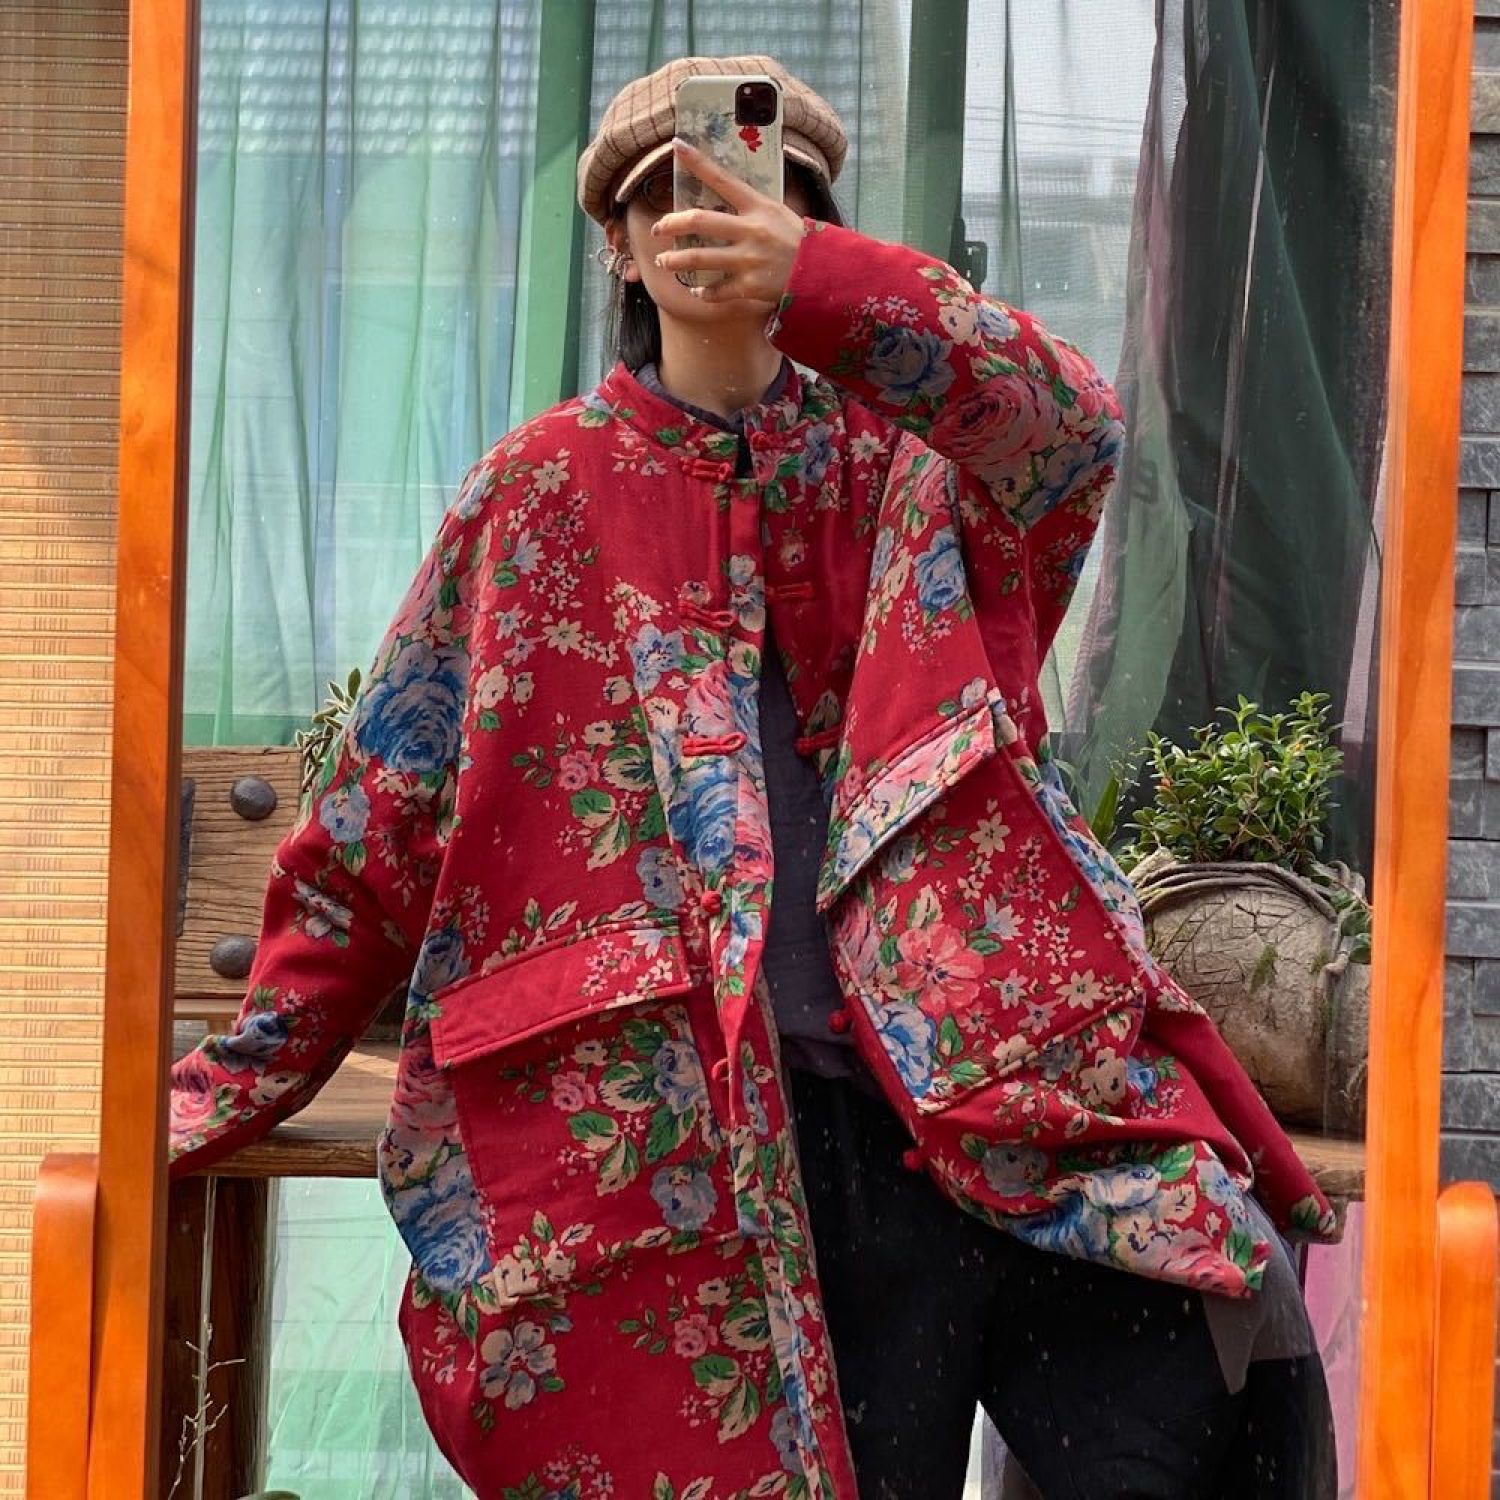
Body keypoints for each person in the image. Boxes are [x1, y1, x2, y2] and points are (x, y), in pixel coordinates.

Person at [168, 54, 1338, 1500]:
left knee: (1205, 1359)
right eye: (666, 191)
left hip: (968, 1108)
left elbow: (1071, 434)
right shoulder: (533, 497)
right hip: (687, 1147)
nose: (707, 212)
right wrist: (230, 1081)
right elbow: (378, 825)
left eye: (755, 184)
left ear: (807, 220)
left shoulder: (911, 472)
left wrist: (828, 290)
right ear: (618, 244)